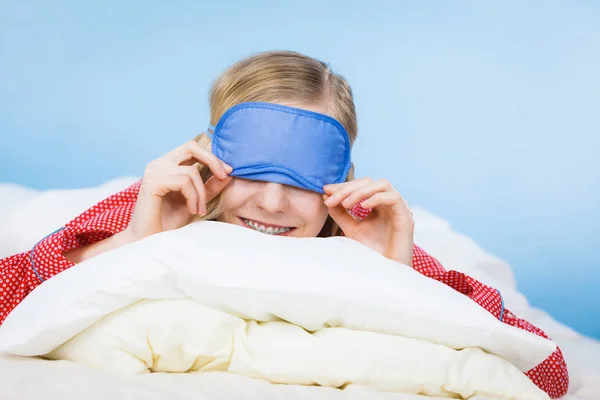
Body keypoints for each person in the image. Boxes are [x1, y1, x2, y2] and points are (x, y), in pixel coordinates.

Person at [0, 50, 568, 398]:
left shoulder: (365, 234)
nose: (272, 202)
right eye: (252, 171)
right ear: (210, 155)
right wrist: (134, 243)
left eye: (299, 180)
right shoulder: (158, 204)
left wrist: (400, 272)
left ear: (341, 180)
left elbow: (547, 372)